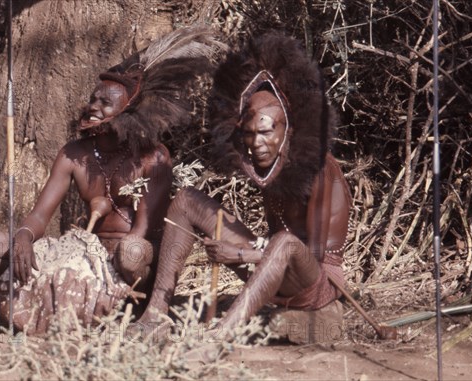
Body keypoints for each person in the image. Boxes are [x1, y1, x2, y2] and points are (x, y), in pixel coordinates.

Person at [0, 27, 226, 333]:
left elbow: (143, 231)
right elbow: (40, 215)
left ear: (129, 113)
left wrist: (100, 267)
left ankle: (123, 303)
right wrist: (24, 236)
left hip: (130, 260)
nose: (93, 107)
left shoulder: (154, 158)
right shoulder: (72, 155)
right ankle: (81, 299)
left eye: (105, 103)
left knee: (130, 252)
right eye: (93, 99)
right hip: (85, 251)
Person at [137, 31, 351, 337]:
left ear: (287, 129)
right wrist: (250, 253)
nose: (256, 143)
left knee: (285, 243)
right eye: (249, 134)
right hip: (274, 265)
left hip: (316, 285)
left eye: (266, 132)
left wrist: (239, 255)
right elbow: (274, 245)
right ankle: (155, 314)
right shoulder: (270, 165)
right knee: (186, 200)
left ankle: (224, 333)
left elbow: (311, 253)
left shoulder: (318, 167)